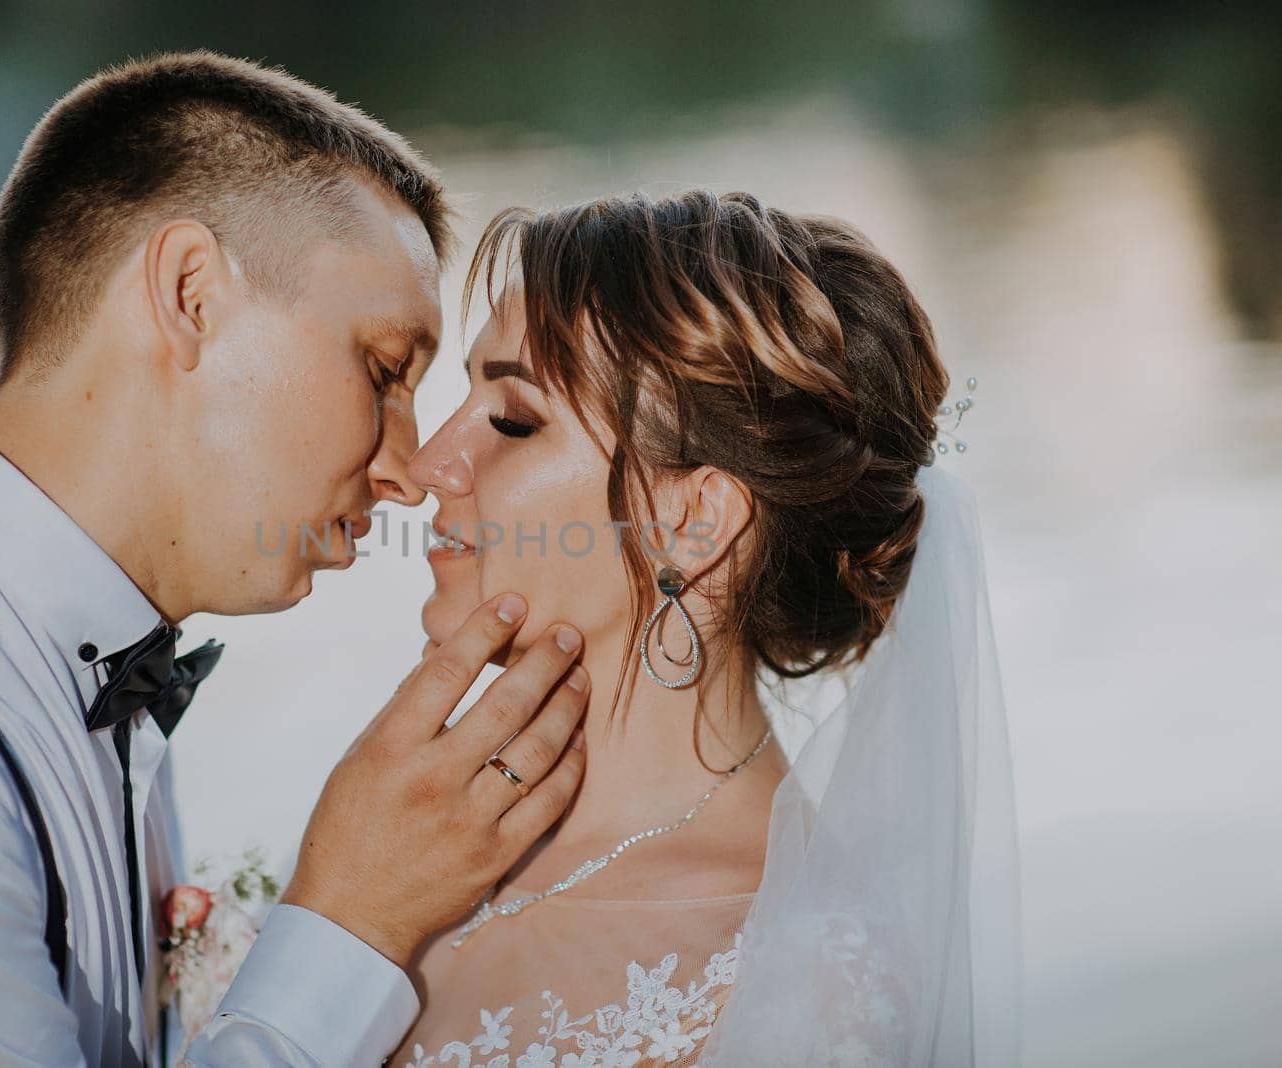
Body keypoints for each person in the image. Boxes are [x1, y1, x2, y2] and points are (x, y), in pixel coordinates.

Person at [0, 52, 592, 1068]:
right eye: (383, 370)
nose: (411, 468)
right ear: (191, 294)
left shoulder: (83, 660)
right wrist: (348, 924)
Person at [393, 191, 1021, 1065]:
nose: (428, 464)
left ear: (695, 520)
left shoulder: (805, 978)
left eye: (513, 419)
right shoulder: (391, 847)